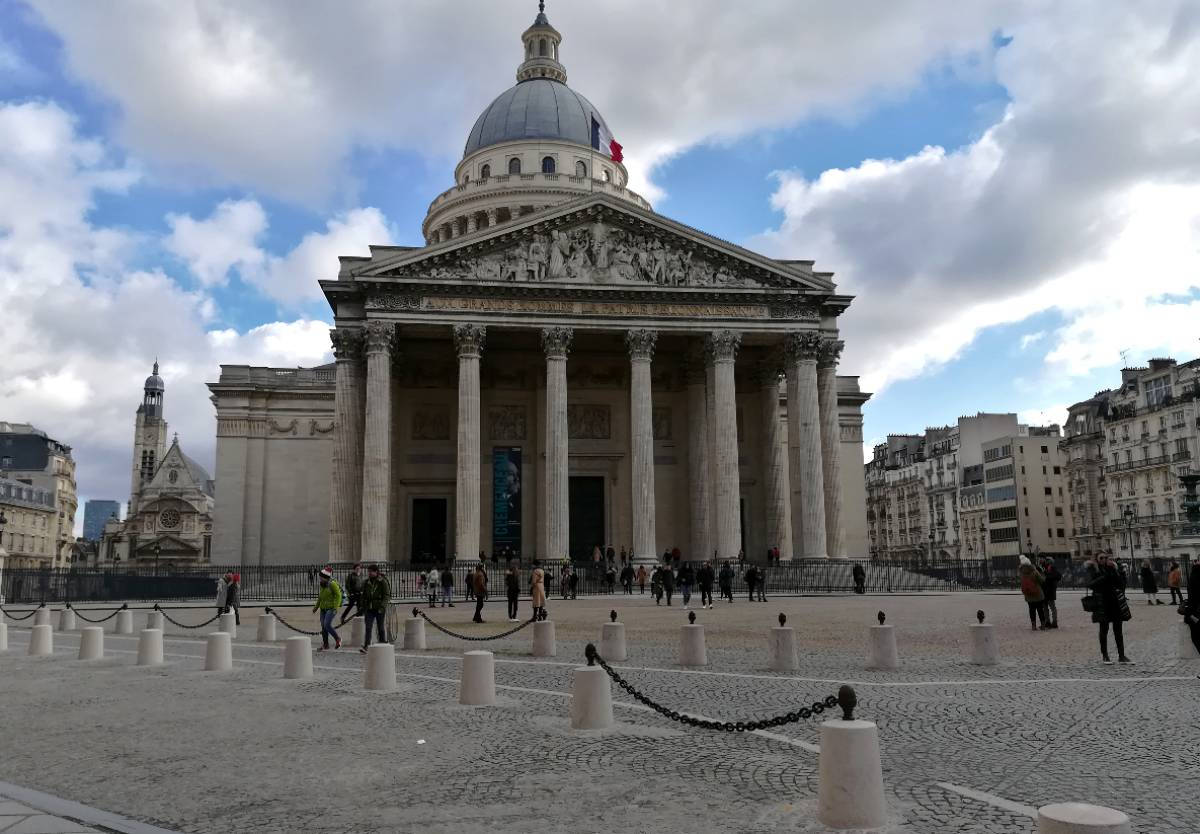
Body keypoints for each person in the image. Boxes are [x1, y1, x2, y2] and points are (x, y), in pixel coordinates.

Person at [1087, 556, 1131, 664]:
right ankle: (1105, 655)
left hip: (1115, 603)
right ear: (1097, 560)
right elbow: (1091, 584)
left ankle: (1121, 656)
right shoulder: (1094, 570)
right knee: (1104, 630)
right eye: (1101, 558)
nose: (1105, 559)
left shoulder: (1112, 569)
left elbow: (1121, 585)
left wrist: (1116, 571)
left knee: (1118, 630)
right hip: (1102, 604)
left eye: (1106, 557)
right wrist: (1105, 576)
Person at [359, 564, 390, 652]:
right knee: (368, 627)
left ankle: (382, 643)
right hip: (369, 608)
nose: (369, 573)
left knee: (380, 627)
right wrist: (363, 605)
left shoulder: (382, 581)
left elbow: (386, 595)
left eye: (371, 571)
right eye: (368, 571)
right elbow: (363, 595)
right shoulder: (366, 582)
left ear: (376, 572)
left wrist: (382, 606)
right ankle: (366, 645)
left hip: (379, 607)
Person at [313, 568, 342, 651]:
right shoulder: (322, 584)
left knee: (327, 624)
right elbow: (320, 597)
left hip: (331, 608)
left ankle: (337, 638)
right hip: (323, 609)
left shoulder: (332, 584)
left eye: (321, 577)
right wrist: (316, 607)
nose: (320, 578)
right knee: (323, 626)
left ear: (325, 577)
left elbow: (338, 596)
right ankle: (326, 644)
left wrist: (335, 607)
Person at [1018, 555, 1048, 630]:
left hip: (1028, 594)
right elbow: (1042, 581)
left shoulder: (1021, 573)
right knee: (1040, 609)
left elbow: (1021, 582)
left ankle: (1033, 626)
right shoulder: (1034, 571)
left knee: (1031, 610)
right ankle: (1043, 625)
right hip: (1037, 593)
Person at [1182, 563, 1200, 660]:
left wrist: (1189, 614)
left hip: (1195, 614)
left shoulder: (1193, 580)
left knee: (1196, 638)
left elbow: (1192, 599)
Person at [1041, 557, 1061, 628]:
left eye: (1046, 561)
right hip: (1044, 591)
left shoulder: (1052, 569)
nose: (1045, 562)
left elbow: (1058, 576)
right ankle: (1047, 622)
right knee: (1045, 608)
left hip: (1050, 591)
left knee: (1052, 607)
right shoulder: (1045, 568)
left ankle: (1054, 622)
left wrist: (1046, 575)